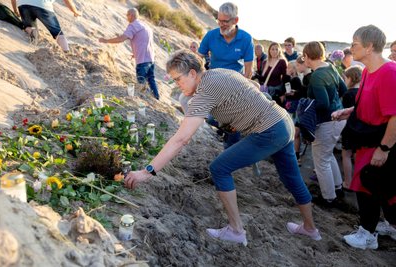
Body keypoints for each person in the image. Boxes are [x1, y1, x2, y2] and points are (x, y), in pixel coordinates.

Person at [124, 50, 322, 245]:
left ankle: (236, 230)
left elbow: (181, 139)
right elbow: (252, 85)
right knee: (292, 178)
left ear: (192, 73)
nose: (176, 84)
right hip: (282, 122)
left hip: (268, 130)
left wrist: (147, 171)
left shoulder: (205, 91)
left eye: (177, 79)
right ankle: (310, 229)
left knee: (219, 168)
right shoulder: (220, 72)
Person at [332, 25, 396, 250]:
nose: (351, 48)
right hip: (367, 138)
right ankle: (392, 225)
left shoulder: (389, 73)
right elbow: (366, 103)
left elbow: (395, 117)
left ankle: (367, 235)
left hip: (380, 141)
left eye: (354, 44)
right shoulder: (368, 70)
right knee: (385, 189)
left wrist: (384, 148)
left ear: (369, 47)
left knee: (365, 187)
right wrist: (347, 112)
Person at [303, 41, 347, 206]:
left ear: (307, 56)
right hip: (339, 117)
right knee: (328, 156)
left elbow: (323, 103)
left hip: (326, 121)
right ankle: (337, 187)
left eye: (304, 56)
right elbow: (343, 90)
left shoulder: (316, 76)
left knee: (321, 160)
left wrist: (306, 108)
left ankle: (328, 197)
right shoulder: (331, 67)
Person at [99, 8, 160, 100]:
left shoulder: (133, 25)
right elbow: (145, 41)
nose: (127, 17)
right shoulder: (146, 26)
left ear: (131, 15)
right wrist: (136, 53)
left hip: (142, 60)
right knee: (151, 80)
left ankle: (145, 101)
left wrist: (106, 40)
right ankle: (156, 99)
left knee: (141, 82)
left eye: (127, 15)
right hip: (150, 58)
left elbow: (121, 38)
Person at [198, 2, 254, 78]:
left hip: (235, 80)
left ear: (235, 20)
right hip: (213, 78)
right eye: (219, 20)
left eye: (225, 21)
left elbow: (249, 71)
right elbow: (197, 58)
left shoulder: (246, 39)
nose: (220, 24)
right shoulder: (210, 35)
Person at [11, 0, 80, 51]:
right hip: (42, 5)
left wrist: (15, 10)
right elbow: (67, 1)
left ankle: (33, 37)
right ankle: (66, 51)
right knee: (57, 32)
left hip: (23, 4)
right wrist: (75, 11)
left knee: (29, 26)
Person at [340, 65, 362, 190]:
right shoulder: (364, 91)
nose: (345, 81)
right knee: (357, 155)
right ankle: (358, 181)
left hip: (350, 127)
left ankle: (348, 182)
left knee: (346, 155)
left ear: (351, 78)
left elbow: (345, 112)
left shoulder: (348, 94)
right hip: (362, 128)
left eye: (345, 78)